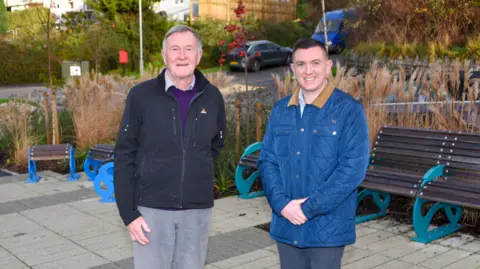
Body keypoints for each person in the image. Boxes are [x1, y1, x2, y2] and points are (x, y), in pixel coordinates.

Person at [113, 25, 226, 269]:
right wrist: (128, 213)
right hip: (151, 212)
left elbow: (215, 145)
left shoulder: (213, 97)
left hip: (196, 212)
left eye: (188, 49)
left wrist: (194, 170)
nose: (182, 56)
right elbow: (124, 155)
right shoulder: (141, 96)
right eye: (175, 49)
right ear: (165, 56)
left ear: (199, 54)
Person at [257, 37, 370, 269]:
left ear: (328, 66)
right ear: (293, 69)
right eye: (301, 64)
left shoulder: (349, 110)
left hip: (327, 228)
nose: (308, 71)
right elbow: (268, 161)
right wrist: (282, 205)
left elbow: (352, 170)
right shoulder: (280, 111)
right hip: (285, 222)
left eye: (315, 63)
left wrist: (307, 209)